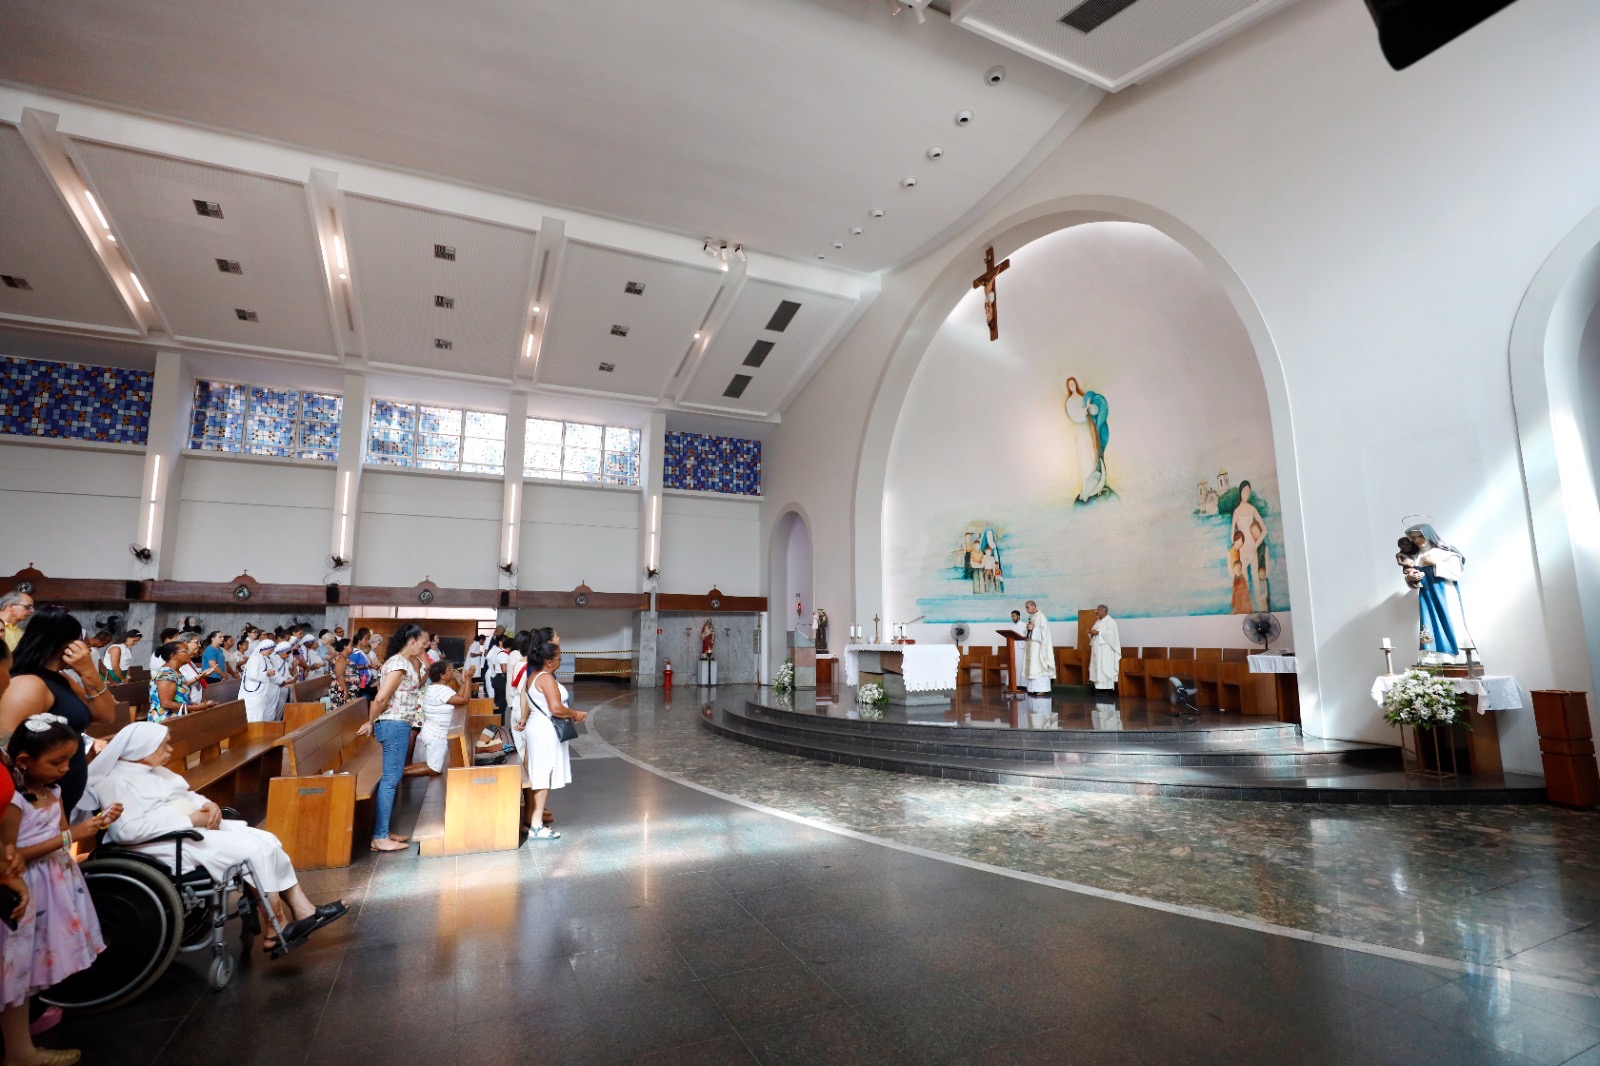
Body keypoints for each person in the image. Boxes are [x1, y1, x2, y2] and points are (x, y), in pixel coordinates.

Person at [84, 722, 347, 957]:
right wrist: (190, 820)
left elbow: (186, 795)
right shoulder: (114, 781)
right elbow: (128, 831)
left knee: (267, 840)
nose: (170, 750)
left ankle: (303, 910)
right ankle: (275, 927)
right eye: (163, 745)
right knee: (250, 850)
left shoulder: (154, 770)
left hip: (190, 831)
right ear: (142, 749)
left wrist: (210, 805)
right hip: (162, 843)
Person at [5, 715, 115, 1066]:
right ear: (24, 761)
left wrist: (92, 826)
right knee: (16, 967)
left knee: (36, 958)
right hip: (27, 884)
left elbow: (63, 833)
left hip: (54, 884)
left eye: (70, 760)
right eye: (57, 762)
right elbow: (10, 856)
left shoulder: (52, 792)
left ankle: (26, 1034)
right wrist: (71, 836)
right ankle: (19, 1050)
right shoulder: (14, 803)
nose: (66, 769)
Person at [0, 608, 117, 817]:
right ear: (68, 644)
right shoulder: (30, 684)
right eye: (80, 641)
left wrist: (89, 672)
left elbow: (106, 715)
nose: (85, 647)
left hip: (58, 796)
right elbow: (6, 749)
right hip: (36, 805)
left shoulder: (62, 678)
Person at [358, 625, 429, 853]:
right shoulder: (398, 663)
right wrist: (370, 721)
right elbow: (381, 698)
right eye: (423, 643)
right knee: (390, 779)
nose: (425, 647)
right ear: (411, 641)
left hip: (397, 723)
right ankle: (380, 836)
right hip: (394, 723)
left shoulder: (404, 662)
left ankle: (384, 831)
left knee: (392, 777)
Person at [516, 635, 585, 842]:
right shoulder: (546, 678)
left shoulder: (533, 676)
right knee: (543, 774)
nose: (560, 661)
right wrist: (575, 714)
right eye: (558, 658)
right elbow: (556, 708)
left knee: (540, 773)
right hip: (545, 730)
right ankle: (536, 825)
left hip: (537, 727)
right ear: (548, 661)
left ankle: (534, 820)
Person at [1404, 523, 1472, 661]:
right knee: (1429, 623)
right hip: (1427, 596)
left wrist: (1436, 563)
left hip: (1445, 594)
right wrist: (1411, 578)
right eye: (1414, 538)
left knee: (1451, 621)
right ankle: (1433, 658)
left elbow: (1457, 573)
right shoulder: (1416, 557)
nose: (1417, 540)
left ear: (1429, 535)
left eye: (1420, 536)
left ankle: (1453, 658)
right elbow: (1413, 577)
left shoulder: (1445, 553)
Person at [407, 661, 471, 777]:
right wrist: (468, 679)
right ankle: (397, 774)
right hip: (436, 734)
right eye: (449, 670)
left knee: (432, 765)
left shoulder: (438, 688)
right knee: (434, 769)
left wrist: (464, 682)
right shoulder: (440, 690)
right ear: (442, 675)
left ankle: (398, 773)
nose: (452, 672)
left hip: (433, 731)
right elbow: (464, 700)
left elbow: (457, 701)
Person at [148, 642, 217, 723]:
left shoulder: (176, 672)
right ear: (174, 656)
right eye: (186, 651)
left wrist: (196, 705)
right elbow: (165, 703)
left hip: (177, 717)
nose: (189, 653)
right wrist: (195, 708)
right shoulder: (166, 674)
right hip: (165, 720)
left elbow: (179, 698)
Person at [1231, 481, 1269, 612]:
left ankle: (1261, 612)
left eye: (1248, 492)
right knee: (1245, 585)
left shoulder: (1252, 509)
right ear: (1240, 492)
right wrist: (1238, 545)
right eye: (1244, 492)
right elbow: (1232, 536)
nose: (1246, 494)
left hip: (1252, 550)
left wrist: (1256, 544)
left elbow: (1264, 530)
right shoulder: (1236, 512)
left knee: (1256, 584)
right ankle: (1247, 613)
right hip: (1242, 552)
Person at [240, 640, 289, 724]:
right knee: (253, 715)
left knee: (259, 715)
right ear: (265, 649)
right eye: (270, 650)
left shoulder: (263, 658)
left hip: (260, 693)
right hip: (253, 693)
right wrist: (267, 673)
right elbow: (251, 675)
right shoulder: (255, 658)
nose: (272, 652)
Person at [1021, 601, 1054, 696]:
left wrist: (1033, 629)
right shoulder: (1031, 618)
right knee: (1032, 666)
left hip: (1038, 647)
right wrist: (1027, 629)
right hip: (1031, 646)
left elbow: (1045, 633)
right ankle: (1032, 688)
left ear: (1033, 606)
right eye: (1026, 607)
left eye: (1028, 607)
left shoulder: (1041, 617)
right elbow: (1027, 632)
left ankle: (1042, 689)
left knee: (1038, 666)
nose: (1026, 609)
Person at [1087, 604, 1121, 693]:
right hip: (1097, 649)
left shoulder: (1111, 622)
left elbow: (1111, 635)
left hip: (1106, 650)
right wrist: (1091, 633)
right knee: (1097, 668)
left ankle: (1106, 689)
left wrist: (1098, 632)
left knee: (1105, 667)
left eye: (1097, 610)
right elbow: (1094, 632)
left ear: (1103, 611)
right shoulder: (1097, 622)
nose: (1096, 612)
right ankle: (1098, 687)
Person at [486, 636, 511, 723]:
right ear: (500, 642)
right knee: (499, 702)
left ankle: (498, 722)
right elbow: (495, 666)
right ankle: (498, 722)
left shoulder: (498, 651)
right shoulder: (497, 651)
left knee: (499, 701)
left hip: (496, 676)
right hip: (497, 676)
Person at [327, 639, 352, 706]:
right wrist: (345, 691)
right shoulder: (340, 659)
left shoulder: (344, 658)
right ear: (344, 647)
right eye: (351, 645)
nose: (352, 648)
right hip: (341, 690)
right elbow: (339, 675)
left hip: (344, 690)